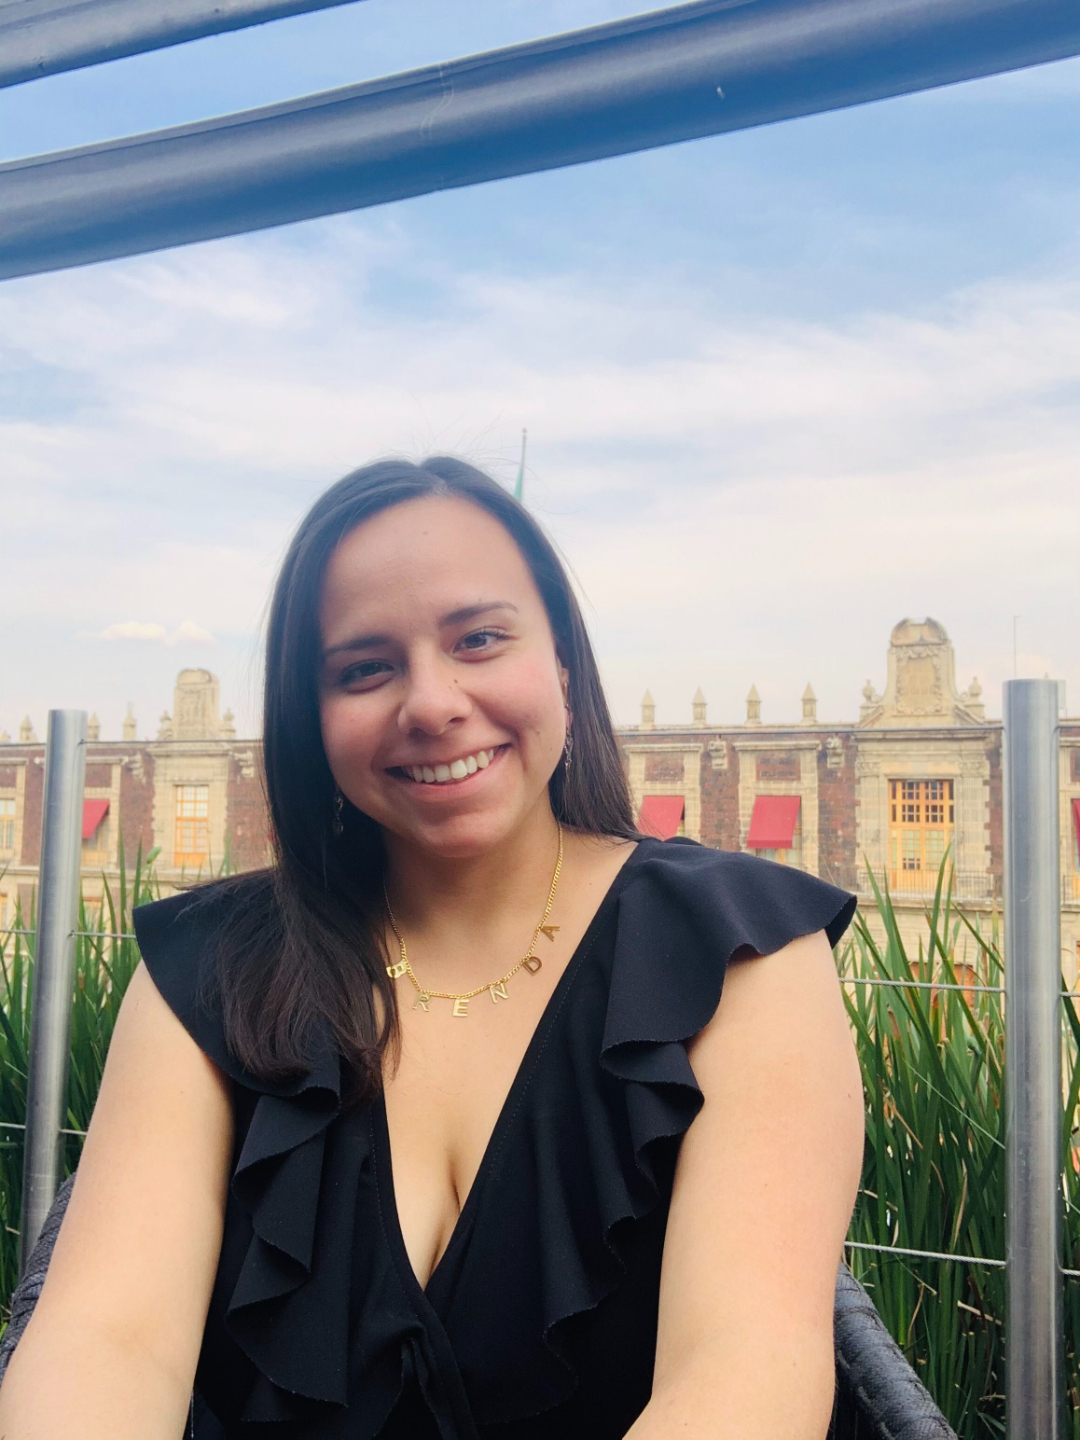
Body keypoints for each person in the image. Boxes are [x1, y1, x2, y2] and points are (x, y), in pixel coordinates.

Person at [0, 457, 863, 1440]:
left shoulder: (745, 955)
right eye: (364, 668)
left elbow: (747, 1369)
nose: (432, 702)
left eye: (479, 639)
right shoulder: (207, 971)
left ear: (564, 662)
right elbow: (105, 1341)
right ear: (311, 716)